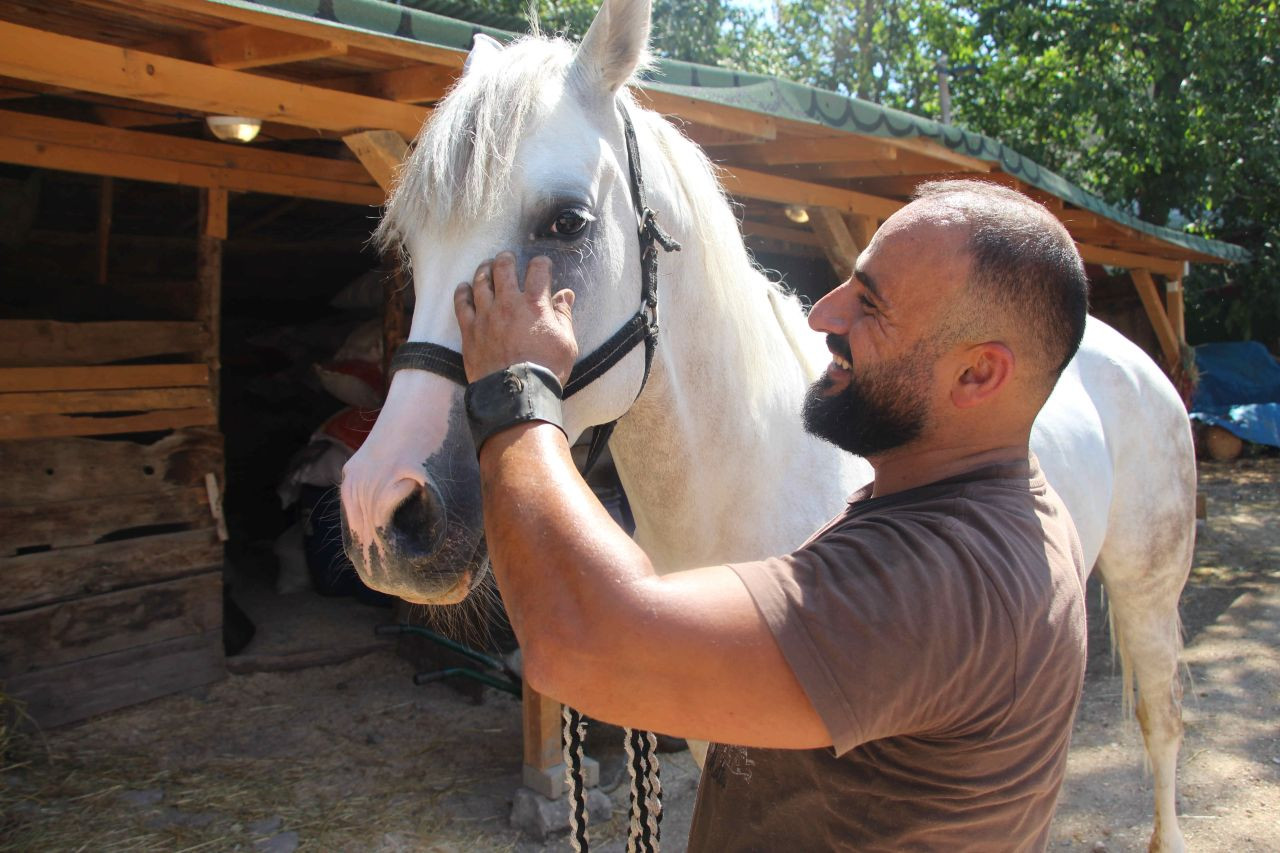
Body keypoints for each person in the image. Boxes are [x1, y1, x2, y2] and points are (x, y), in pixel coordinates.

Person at [452, 179, 1089, 850]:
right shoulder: (1008, 505)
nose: (824, 317)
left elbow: (584, 640)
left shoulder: (936, 578)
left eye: (870, 305)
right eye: (851, 280)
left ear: (977, 375)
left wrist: (516, 389)